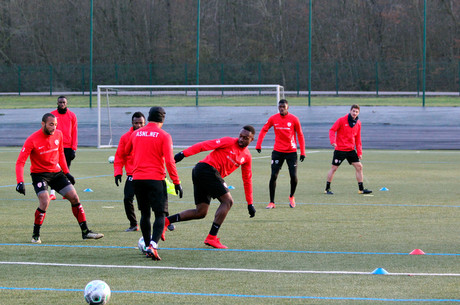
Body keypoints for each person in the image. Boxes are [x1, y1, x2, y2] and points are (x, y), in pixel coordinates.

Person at [15, 113, 103, 244]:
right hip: (39, 175)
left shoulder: (59, 134)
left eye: (55, 125)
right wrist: (20, 182)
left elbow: (60, 153)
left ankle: (86, 232)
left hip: (56, 173)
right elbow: (20, 162)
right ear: (43, 124)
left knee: (74, 197)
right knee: (45, 201)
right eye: (51, 124)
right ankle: (35, 235)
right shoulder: (32, 139)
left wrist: (67, 173)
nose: (54, 127)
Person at [167, 125, 256, 249]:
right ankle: (212, 237)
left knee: (200, 212)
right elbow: (205, 145)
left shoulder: (247, 157)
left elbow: (247, 180)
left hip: (205, 173)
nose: (241, 139)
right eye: (240, 136)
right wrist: (182, 154)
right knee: (228, 201)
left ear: (252, 139)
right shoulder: (229, 141)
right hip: (205, 169)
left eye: (245, 138)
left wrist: (250, 203)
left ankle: (166, 221)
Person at [125, 107, 183, 261]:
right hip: (155, 179)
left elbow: (127, 151)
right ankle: (153, 245)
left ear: (148, 117)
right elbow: (170, 161)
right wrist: (176, 182)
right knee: (160, 214)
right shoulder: (164, 135)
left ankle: (146, 245)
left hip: (137, 178)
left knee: (144, 213)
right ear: (162, 119)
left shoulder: (136, 133)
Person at [255, 99, 306, 209]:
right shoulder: (273, 118)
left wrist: (302, 152)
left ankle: (291, 196)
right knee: (273, 175)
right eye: (280, 107)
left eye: (283, 106)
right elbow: (264, 129)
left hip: (291, 152)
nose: (281, 108)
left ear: (288, 107)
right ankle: (272, 202)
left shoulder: (294, 119)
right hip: (278, 151)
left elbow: (300, 135)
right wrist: (258, 144)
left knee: (293, 176)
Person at [325, 104, 372, 195]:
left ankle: (361, 189)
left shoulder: (358, 123)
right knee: (334, 168)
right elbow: (332, 130)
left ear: (358, 113)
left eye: (356, 112)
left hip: (350, 150)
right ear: (350, 111)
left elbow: (358, 138)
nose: (354, 113)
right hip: (340, 149)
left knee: (359, 166)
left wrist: (359, 152)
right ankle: (327, 188)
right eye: (353, 111)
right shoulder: (341, 120)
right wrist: (333, 141)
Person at [113, 111, 146, 232]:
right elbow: (119, 156)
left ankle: (166, 221)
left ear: (145, 123)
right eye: (136, 123)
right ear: (132, 123)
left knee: (156, 199)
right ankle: (133, 224)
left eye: (141, 123)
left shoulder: (149, 136)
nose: (138, 125)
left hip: (148, 174)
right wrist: (118, 172)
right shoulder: (125, 137)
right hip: (133, 175)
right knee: (127, 199)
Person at [49, 95, 78, 200]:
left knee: (66, 169)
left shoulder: (72, 115)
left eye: (63, 102)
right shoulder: (52, 115)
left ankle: (67, 192)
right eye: (60, 102)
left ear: (66, 103)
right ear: (57, 103)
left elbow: (74, 132)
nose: (62, 104)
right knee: (54, 169)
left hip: (67, 146)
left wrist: (74, 148)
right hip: (55, 146)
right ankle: (52, 193)